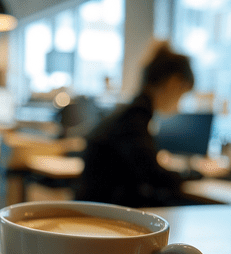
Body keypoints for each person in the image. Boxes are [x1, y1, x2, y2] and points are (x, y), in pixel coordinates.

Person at [75, 43, 199, 208]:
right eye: (182, 95)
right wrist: (193, 174)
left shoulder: (130, 113)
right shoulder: (135, 118)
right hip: (105, 212)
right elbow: (153, 175)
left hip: (100, 205)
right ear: (174, 83)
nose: (179, 104)